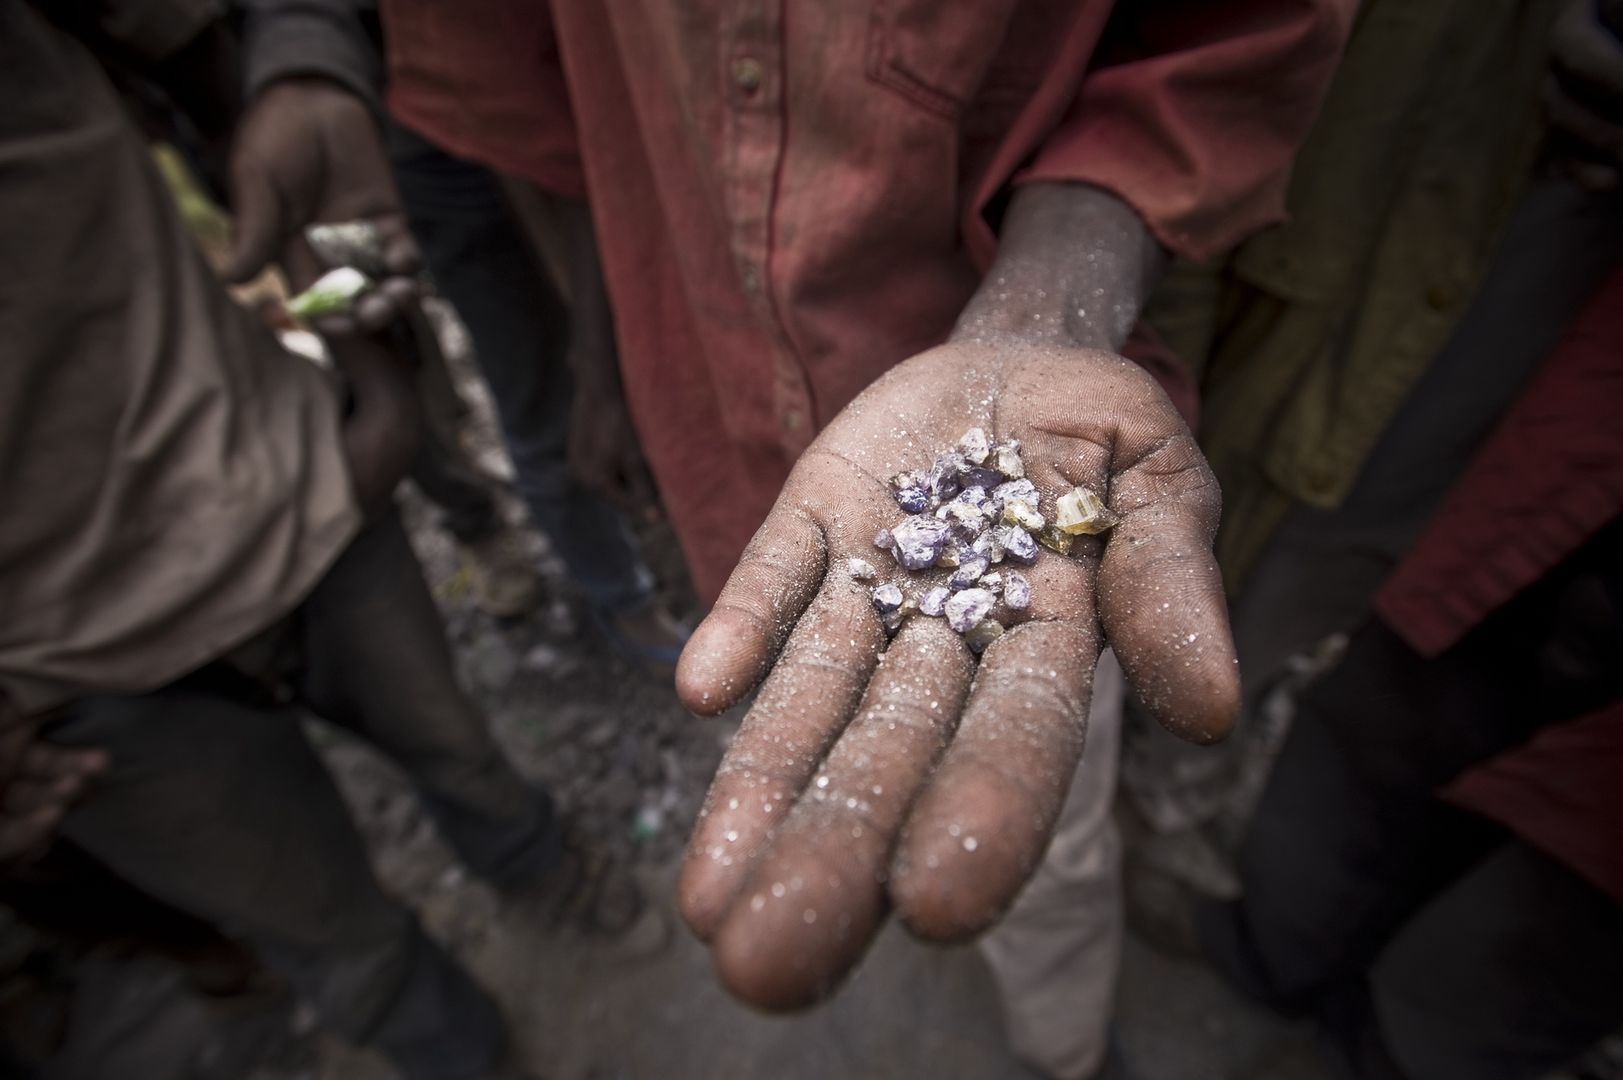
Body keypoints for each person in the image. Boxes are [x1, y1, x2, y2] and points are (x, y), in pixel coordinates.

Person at [230, 3, 1358, 1075]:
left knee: (1039, 815)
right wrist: (602, 343)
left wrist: (1043, 310)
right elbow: (525, 84)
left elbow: (1227, 46)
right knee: (800, 714)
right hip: (715, 407)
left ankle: (1063, 1042)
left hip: (1003, 348)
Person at [0, 2, 591, 1075]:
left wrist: (304, 68)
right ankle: (481, 1058)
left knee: (459, 749)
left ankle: (546, 871)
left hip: (294, 498)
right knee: (336, 937)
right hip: (73, 690)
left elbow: (248, 32)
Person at [231, 0, 690, 663]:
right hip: (440, 124)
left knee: (639, 341)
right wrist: (307, 61)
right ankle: (619, 593)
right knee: (536, 379)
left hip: (585, 89)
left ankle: (657, 526)